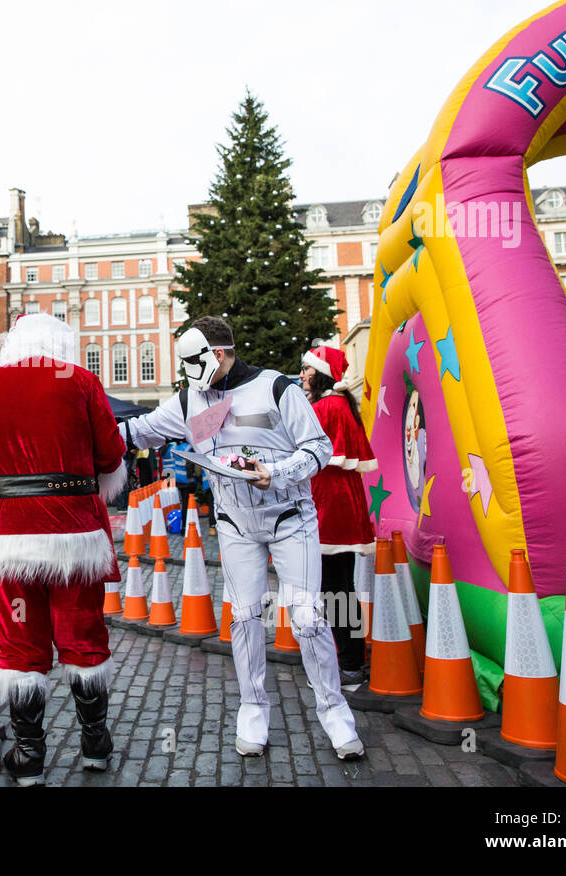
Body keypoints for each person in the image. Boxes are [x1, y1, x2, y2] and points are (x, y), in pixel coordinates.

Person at [119, 316, 365, 761]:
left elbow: (318, 448)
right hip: (235, 525)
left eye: (194, 362)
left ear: (216, 354)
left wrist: (278, 473)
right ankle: (253, 708)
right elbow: (142, 430)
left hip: (291, 517)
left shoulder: (277, 388)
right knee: (245, 618)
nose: (190, 376)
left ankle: (335, 712)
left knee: (307, 617)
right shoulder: (189, 398)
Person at [0, 314, 127, 784]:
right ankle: (95, 741)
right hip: (73, 536)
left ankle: (29, 753)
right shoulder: (79, 381)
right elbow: (111, 454)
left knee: (19, 641)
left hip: (9, 536)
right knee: (83, 634)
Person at [300, 346, 377, 685]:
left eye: (307, 369)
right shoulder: (339, 404)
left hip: (330, 510)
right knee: (340, 586)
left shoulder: (326, 407)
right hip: (339, 508)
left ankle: (349, 662)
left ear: (321, 373)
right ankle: (350, 656)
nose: (302, 375)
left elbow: (306, 461)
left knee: (335, 589)